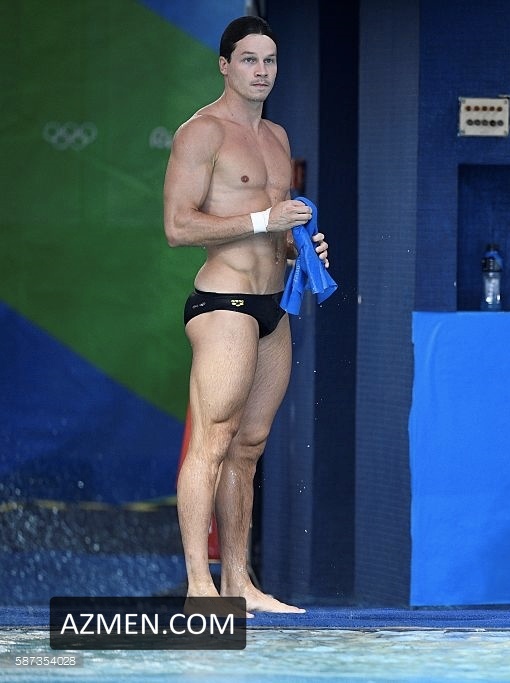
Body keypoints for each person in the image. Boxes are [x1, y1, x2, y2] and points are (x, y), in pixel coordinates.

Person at [163, 15, 328, 614]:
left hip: (273, 305)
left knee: (250, 446)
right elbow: (178, 227)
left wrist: (297, 247)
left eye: (270, 60)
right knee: (213, 440)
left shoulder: (277, 136)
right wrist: (264, 221)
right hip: (223, 302)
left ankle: (239, 583)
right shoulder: (201, 132)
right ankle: (199, 586)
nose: (262, 71)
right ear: (225, 65)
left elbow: (274, 230)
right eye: (250, 60)